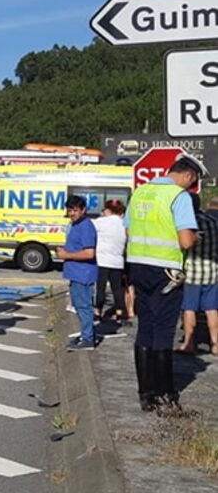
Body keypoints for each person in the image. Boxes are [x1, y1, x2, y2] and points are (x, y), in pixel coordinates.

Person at [125, 155, 204, 411]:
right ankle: (165, 394)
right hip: (167, 270)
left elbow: (128, 231)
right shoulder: (178, 197)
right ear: (189, 176)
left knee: (145, 327)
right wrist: (196, 239)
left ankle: (144, 393)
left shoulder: (140, 192)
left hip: (138, 265)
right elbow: (185, 241)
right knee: (163, 330)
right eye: (193, 182)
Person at [177, 192, 218, 356]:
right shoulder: (213, 222)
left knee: (189, 308)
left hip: (192, 272)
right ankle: (215, 344)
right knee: (212, 309)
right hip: (213, 272)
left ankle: (189, 343)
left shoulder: (187, 224)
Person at [57, 195, 98, 352]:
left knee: (84, 306)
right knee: (79, 306)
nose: (72, 213)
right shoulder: (75, 225)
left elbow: (89, 253)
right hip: (75, 273)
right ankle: (85, 335)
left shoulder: (86, 226)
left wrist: (66, 255)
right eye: (69, 210)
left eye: (75, 210)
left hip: (83, 274)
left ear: (83, 210)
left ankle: (88, 338)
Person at [93, 199, 128, 325]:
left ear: (108, 210)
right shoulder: (124, 223)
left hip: (102, 259)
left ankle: (98, 313)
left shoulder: (100, 222)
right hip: (118, 260)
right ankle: (119, 313)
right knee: (117, 289)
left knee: (100, 288)